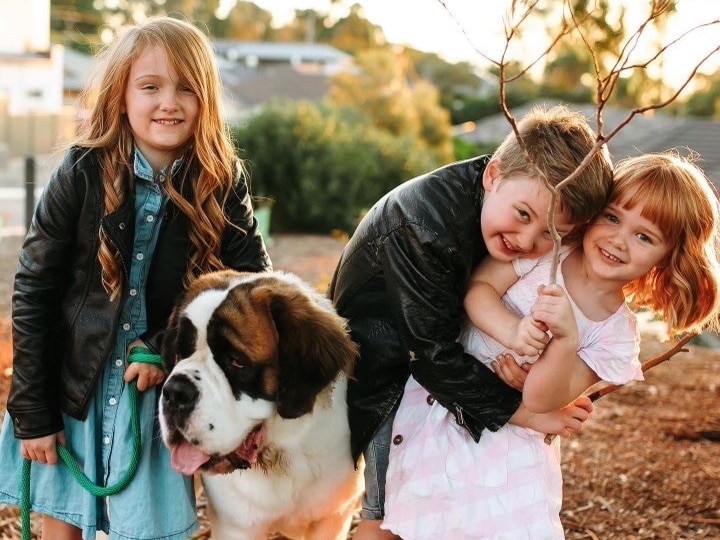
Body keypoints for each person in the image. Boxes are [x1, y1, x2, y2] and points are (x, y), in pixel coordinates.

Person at [0, 16, 271, 540]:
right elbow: (33, 291)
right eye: (150, 87)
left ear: (206, 100)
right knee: (64, 519)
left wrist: (162, 347)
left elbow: (248, 285)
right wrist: (32, 410)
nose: (168, 103)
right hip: (73, 383)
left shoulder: (221, 182)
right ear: (120, 95)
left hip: (156, 395)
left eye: (186, 89)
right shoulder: (80, 173)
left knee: (145, 528)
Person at [382, 151, 720, 539]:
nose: (618, 240)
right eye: (612, 217)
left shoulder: (614, 335)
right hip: (445, 403)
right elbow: (479, 289)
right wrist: (513, 331)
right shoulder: (549, 253)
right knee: (402, 523)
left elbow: (543, 399)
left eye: (644, 236)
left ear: (668, 258)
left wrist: (565, 340)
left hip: (508, 452)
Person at [328, 103, 615, 540]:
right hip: (384, 371)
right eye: (523, 215)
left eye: (550, 236)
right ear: (493, 175)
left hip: (434, 370)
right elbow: (430, 352)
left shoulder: (496, 206)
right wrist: (526, 413)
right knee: (387, 509)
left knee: (435, 506)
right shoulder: (422, 226)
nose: (526, 242)